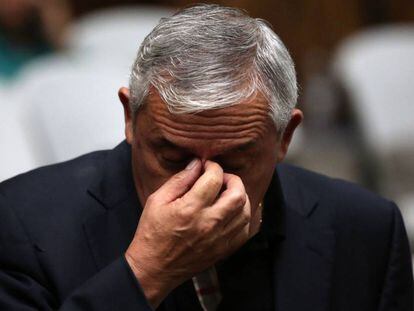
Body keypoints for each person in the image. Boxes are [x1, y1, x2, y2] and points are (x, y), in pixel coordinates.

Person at [0, 4, 412, 311]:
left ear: (285, 135)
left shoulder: (365, 229)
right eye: (172, 157)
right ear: (130, 118)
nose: (205, 184)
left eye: (234, 161)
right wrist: (145, 273)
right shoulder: (21, 223)